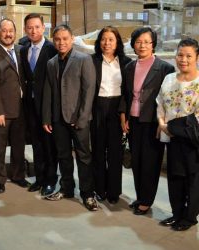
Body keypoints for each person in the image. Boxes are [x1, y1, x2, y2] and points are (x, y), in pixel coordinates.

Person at [42, 24, 97, 211]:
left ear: (72, 39)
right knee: (63, 156)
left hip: (78, 119)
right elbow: (49, 92)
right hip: (58, 120)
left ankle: (87, 193)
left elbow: (88, 91)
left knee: (84, 157)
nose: (61, 42)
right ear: (53, 41)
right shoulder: (51, 63)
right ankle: (67, 188)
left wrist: (82, 118)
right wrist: (47, 118)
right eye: (57, 39)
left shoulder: (83, 59)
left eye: (65, 38)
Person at [120, 27, 175, 215]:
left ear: (153, 44)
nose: (142, 45)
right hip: (133, 121)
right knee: (137, 162)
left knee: (151, 162)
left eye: (146, 42)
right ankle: (140, 196)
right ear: (133, 45)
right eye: (138, 42)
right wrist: (123, 117)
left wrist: (164, 123)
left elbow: (169, 99)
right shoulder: (129, 67)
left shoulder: (165, 68)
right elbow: (125, 96)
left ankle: (147, 201)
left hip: (153, 122)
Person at [156, 38, 199, 231]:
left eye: (189, 56)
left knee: (193, 180)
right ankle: (177, 214)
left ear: (197, 57)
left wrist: (171, 127)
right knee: (175, 178)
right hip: (172, 139)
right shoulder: (169, 79)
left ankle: (190, 218)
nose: (183, 59)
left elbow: (196, 117)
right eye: (180, 55)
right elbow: (160, 104)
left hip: (193, 141)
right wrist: (161, 123)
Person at [0, 18, 29, 194]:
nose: (8, 34)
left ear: (15, 33)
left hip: (21, 109)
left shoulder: (20, 51)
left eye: (11, 30)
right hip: (2, 111)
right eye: (4, 30)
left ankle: (18, 175)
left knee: (19, 146)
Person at [91, 26, 132, 204]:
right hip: (97, 106)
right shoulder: (91, 61)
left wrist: (124, 113)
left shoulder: (126, 62)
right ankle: (99, 188)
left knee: (115, 152)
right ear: (99, 42)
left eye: (111, 39)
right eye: (103, 39)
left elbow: (128, 91)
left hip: (117, 108)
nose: (106, 43)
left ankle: (114, 191)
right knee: (98, 151)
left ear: (117, 43)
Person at [20, 13, 58, 196]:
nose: (33, 30)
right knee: (36, 144)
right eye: (29, 27)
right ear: (25, 29)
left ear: (44, 28)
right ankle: (40, 179)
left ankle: (51, 180)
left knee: (49, 144)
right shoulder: (23, 48)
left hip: (48, 106)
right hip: (30, 105)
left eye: (37, 27)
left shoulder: (52, 49)